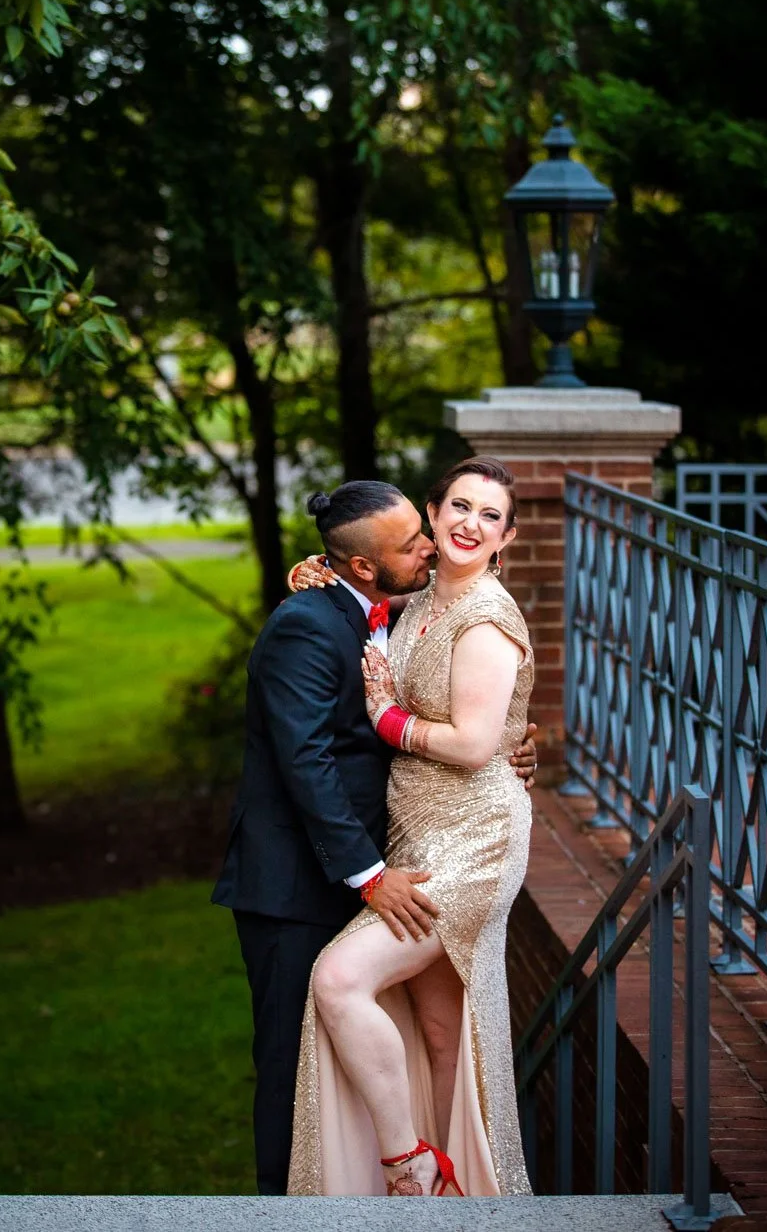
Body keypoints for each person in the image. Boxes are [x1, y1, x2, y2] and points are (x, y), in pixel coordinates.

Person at [211, 477, 537, 1196]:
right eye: (417, 538)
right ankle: (292, 1210)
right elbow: (305, 761)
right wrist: (368, 873)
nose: (430, 546)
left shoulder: (400, 606)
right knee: (292, 1074)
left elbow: (463, 708)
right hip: (299, 883)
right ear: (363, 565)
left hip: (407, 859)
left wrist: (510, 744)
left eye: (488, 517)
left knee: (421, 1033)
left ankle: (425, 1185)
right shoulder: (310, 623)